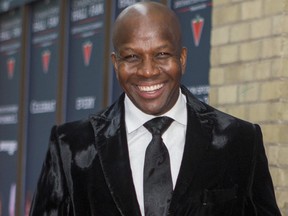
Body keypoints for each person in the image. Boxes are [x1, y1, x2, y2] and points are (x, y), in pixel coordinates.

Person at [29, 2, 281, 216]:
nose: (148, 71)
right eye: (132, 57)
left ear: (181, 59)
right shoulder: (70, 146)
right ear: (116, 64)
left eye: (161, 54)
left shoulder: (239, 140)